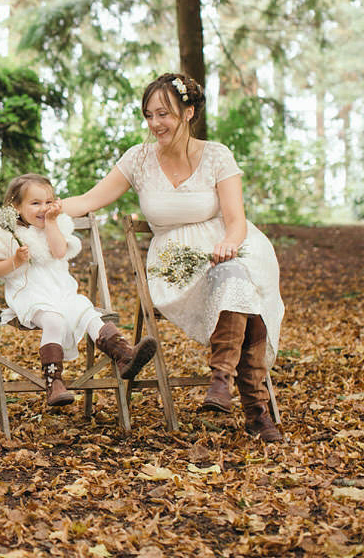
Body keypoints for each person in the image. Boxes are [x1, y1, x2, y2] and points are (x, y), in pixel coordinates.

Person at [61, 73, 285, 442]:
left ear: (188, 112)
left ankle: (220, 380)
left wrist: (229, 244)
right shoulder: (138, 158)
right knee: (242, 293)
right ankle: (255, 411)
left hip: (227, 249)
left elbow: (236, 220)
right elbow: (88, 200)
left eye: (163, 114)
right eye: (148, 115)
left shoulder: (217, 155)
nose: (154, 124)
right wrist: (48, 208)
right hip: (175, 263)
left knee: (237, 278)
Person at [0, 174, 157, 407]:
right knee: (54, 321)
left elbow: (60, 251)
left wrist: (51, 222)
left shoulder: (57, 224)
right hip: (29, 296)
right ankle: (54, 382)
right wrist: (15, 260)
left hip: (62, 292)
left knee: (89, 314)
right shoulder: (4, 231)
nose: (43, 208)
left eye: (48, 202)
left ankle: (126, 356)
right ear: (16, 206)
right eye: (35, 203)